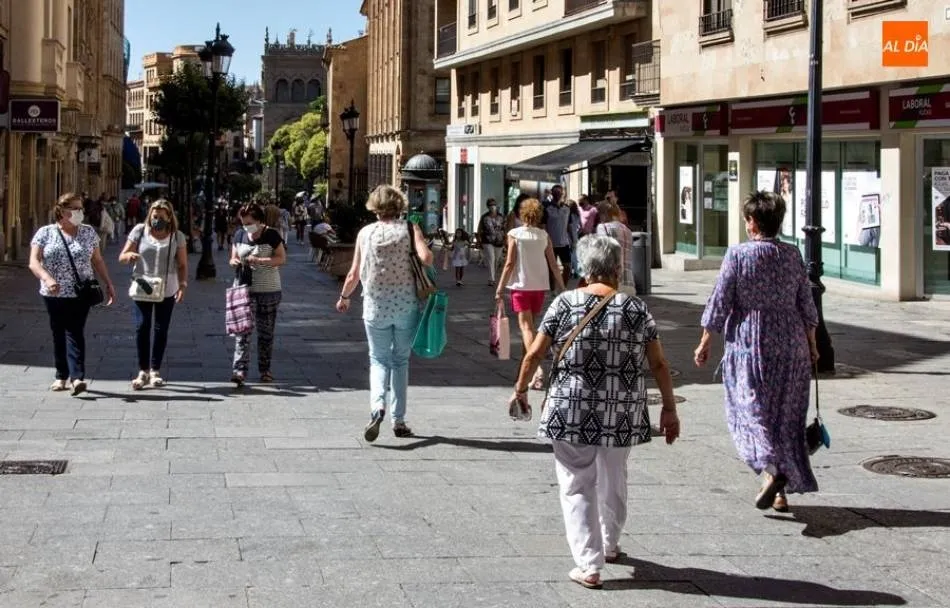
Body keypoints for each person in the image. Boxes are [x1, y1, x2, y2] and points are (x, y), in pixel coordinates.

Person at [510, 234, 680, 589]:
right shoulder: (636, 309)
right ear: (617, 268)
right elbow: (659, 364)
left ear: (583, 269)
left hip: (570, 409)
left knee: (576, 484)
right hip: (621, 411)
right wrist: (668, 409)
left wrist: (521, 388)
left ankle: (589, 564)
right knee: (615, 475)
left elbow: (535, 354)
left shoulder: (563, 304)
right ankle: (610, 543)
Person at [694, 190, 820, 513]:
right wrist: (813, 344)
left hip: (750, 345)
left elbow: (720, 300)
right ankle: (779, 491)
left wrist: (706, 340)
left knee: (750, 413)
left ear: (752, 223)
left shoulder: (737, 256)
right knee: (785, 418)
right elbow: (806, 303)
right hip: (791, 346)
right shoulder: (793, 255)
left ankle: (771, 467)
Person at [336, 185, 434, 442]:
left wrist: (344, 297)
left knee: (378, 359)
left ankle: (377, 406)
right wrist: (422, 244)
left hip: (375, 306)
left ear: (374, 207)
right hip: (406, 305)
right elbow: (427, 258)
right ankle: (398, 419)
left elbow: (354, 272)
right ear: (399, 205)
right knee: (400, 361)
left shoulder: (366, 233)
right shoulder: (410, 229)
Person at [28, 192, 117, 395]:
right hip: (53, 292)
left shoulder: (87, 233)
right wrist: (47, 278)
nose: (80, 212)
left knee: (75, 331)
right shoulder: (45, 233)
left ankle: (77, 378)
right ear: (62, 211)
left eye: (81, 208)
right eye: (76, 208)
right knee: (58, 331)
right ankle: (61, 376)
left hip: (81, 291)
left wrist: (108, 283)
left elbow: (97, 260)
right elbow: (33, 261)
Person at [496, 198, 565, 391]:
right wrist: (561, 286)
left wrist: (500, 287)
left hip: (521, 286)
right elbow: (553, 264)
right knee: (532, 329)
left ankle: (537, 370)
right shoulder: (544, 235)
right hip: (539, 287)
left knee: (526, 329)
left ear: (522, 214)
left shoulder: (515, 234)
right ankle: (523, 371)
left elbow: (509, 263)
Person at [119, 200, 188, 389]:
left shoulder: (177, 236)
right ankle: (143, 370)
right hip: (142, 285)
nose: (157, 220)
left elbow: (182, 264)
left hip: (167, 287)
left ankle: (155, 370)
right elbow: (122, 255)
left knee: (161, 329)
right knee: (142, 326)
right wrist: (128, 257)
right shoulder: (140, 231)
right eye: (154, 216)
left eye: (161, 217)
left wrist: (182, 285)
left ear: (169, 217)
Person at [229, 203, 287, 385]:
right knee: (242, 333)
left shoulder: (271, 235)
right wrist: (234, 262)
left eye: (249, 222)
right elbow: (233, 256)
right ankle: (239, 371)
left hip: (268, 289)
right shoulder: (239, 234)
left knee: (265, 333)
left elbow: (281, 258)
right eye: (243, 222)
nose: (246, 226)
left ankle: (265, 370)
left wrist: (260, 260)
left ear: (259, 220)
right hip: (243, 289)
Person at [595, 199, 636, 296]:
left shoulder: (603, 228)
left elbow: (603, 254)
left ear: (604, 214)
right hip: (628, 282)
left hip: (611, 283)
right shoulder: (627, 231)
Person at [477, 199, 506, 286]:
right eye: (490, 205)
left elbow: (505, 228)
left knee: (497, 259)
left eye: (493, 205)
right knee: (491, 258)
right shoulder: (484, 217)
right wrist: (479, 240)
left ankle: (493, 275)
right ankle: (491, 279)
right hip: (487, 240)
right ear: (488, 207)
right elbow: (479, 228)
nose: (492, 207)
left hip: (499, 240)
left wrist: (506, 238)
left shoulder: (501, 217)